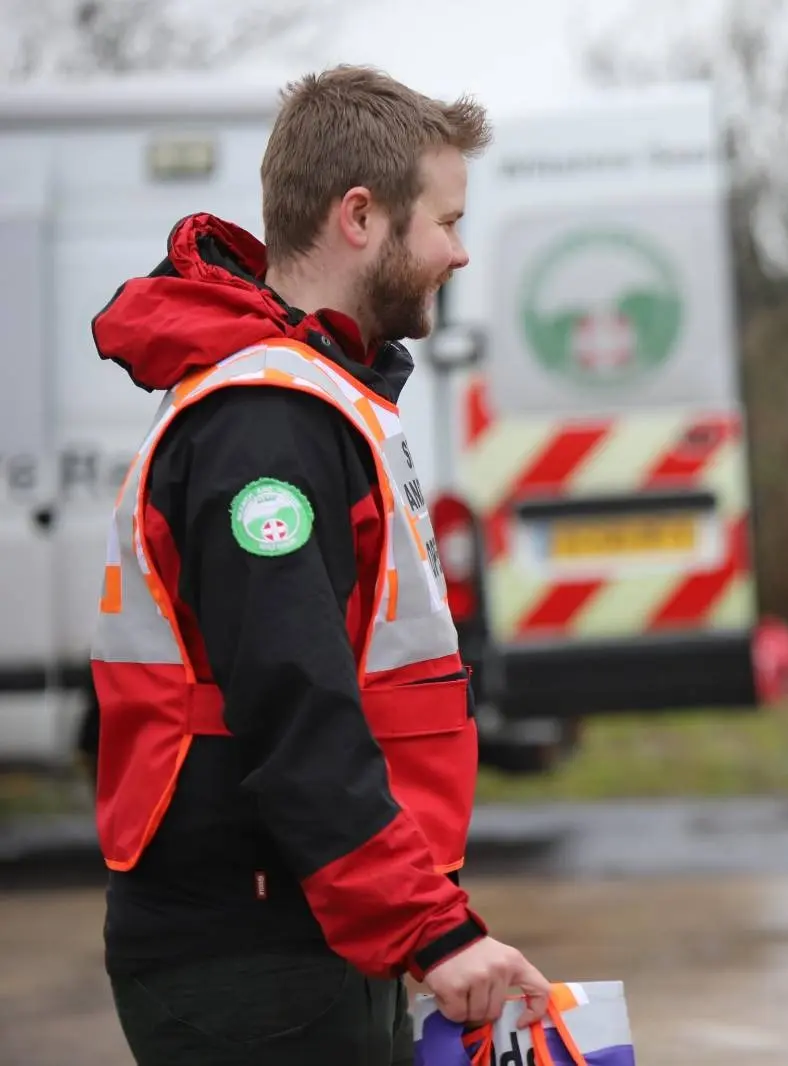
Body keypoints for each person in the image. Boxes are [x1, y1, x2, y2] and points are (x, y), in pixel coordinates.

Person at [87, 66, 548, 1066]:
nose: (458, 252)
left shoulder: (306, 400)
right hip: (258, 950)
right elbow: (296, 711)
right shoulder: (269, 426)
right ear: (359, 216)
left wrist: (409, 919)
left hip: (313, 928)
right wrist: (433, 929)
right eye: (445, 222)